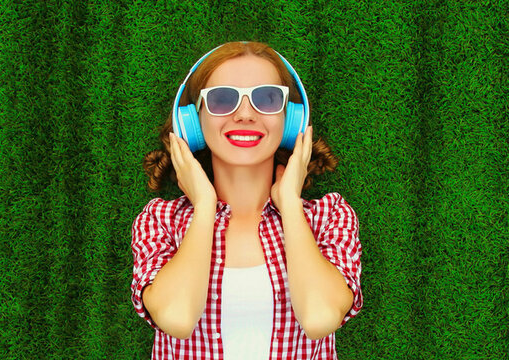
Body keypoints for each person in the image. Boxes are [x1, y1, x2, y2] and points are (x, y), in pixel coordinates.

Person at [131, 41, 362, 359]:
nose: (244, 114)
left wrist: (291, 206)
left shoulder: (329, 217)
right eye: (222, 100)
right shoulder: (160, 221)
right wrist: (204, 207)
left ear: (291, 119)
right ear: (193, 122)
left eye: (267, 99)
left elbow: (320, 317)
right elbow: (177, 318)